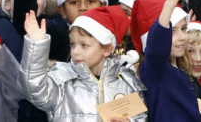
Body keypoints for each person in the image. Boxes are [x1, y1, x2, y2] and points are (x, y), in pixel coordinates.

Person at [19, 7, 147, 122]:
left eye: (84, 45)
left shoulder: (127, 81)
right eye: (72, 44)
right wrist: (37, 45)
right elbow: (33, 89)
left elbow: (141, 117)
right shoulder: (62, 81)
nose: (75, 51)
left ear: (107, 49)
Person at [131, 0, 200, 122]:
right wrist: (169, 3)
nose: (182, 36)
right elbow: (157, 47)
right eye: (172, 31)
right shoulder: (154, 68)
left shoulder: (179, 69)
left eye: (183, 29)